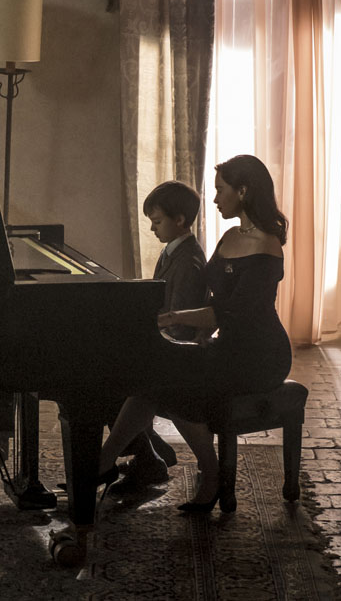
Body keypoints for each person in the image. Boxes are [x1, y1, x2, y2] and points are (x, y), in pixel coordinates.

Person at [97, 154, 292, 511]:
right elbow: (217, 299)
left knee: (167, 377)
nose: (214, 199)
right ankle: (104, 462)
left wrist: (170, 319)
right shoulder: (231, 236)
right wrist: (182, 326)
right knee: (153, 376)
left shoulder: (266, 246)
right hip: (227, 345)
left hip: (259, 356)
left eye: (220, 190)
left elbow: (234, 314)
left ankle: (210, 473)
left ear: (243, 191)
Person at [115, 180, 208, 489]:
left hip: (179, 354)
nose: (152, 229)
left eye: (157, 222)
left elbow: (180, 326)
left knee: (111, 380)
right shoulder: (172, 253)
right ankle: (150, 451)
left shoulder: (188, 262)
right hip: (166, 344)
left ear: (179, 220)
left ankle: (148, 456)